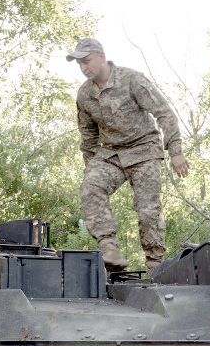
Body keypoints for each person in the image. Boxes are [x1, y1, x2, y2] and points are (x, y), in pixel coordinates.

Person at [67, 38, 189, 273]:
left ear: (101, 56)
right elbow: (88, 134)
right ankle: (109, 249)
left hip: (143, 150)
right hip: (111, 153)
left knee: (147, 211)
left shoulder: (131, 79)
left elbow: (164, 113)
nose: (83, 67)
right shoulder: (85, 94)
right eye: (79, 64)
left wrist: (176, 151)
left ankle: (155, 267)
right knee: (91, 186)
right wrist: (92, 166)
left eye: (86, 61)